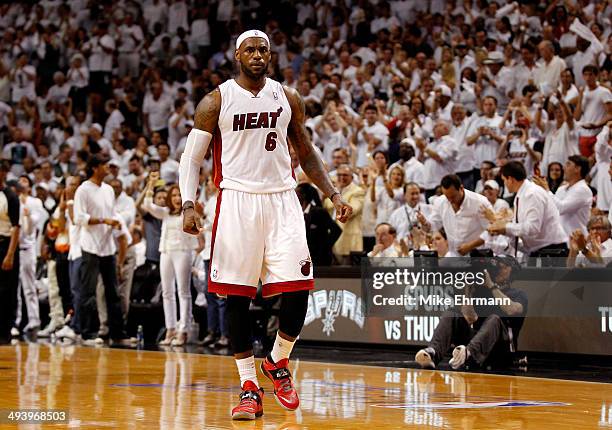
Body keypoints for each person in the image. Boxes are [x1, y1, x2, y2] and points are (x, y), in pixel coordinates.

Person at [178, 30, 352, 420]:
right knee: (237, 297)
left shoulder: (287, 97)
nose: (258, 55)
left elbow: (305, 150)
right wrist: (188, 204)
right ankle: (248, 387)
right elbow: (191, 159)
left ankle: (277, 360)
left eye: (264, 50)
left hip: (282, 199)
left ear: (271, 56)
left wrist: (333, 194)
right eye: (250, 50)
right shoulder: (216, 100)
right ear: (236, 55)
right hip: (236, 200)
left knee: (299, 287)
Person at [415, 256, 527, 369]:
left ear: (511, 272)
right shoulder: (481, 292)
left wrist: (491, 286)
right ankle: (433, 353)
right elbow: (470, 318)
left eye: (503, 267)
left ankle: (467, 355)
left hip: (501, 349)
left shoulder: (518, 294)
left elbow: (511, 309)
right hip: (479, 345)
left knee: (494, 318)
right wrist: (468, 289)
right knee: (452, 313)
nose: (498, 269)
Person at [73, 153, 129, 345]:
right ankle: (86, 333)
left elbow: (112, 213)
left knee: (112, 292)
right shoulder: (83, 190)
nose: (108, 169)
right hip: (90, 246)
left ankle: (118, 334)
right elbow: (78, 218)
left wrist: (116, 224)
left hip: (107, 246)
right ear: (95, 168)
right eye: (104, 165)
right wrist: (103, 220)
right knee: (88, 292)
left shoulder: (108, 190)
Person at [142, 174, 201, 346]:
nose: (176, 198)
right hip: (166, 251)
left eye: (179, 195)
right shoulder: (166, 213)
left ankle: (183, 329)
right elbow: (147, 205)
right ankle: (170, 329)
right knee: (167, 292)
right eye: (174, 195)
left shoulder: (189, 213)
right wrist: (151, 185)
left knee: (183, 291)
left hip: (183, 252)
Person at [488, 161, 567, 258]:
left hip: (552, 251)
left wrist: (505, 227)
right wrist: (503, 228)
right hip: (540, 251)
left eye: (504, 180)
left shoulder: (532, 194)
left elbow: (533, 228)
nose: (505, 183)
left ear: (511, 179)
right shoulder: (522, 194)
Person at [425, 174, 493, 256]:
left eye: (453, 197)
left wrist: (470, 246)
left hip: (478, 254)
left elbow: (492, 230)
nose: (450, 201)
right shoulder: (440, 202)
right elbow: (434, 225)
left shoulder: (480, 202)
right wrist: (425, 224)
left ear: (461, 188)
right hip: (454, 254)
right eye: (447, 197)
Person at [534, 155, 592, 238]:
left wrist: (547, 190)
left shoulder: (583, 190)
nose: (564, 168)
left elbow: (561, 208)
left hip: (575, 241)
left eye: (568, 164)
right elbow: (551, 209)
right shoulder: (562, 189)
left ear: (577, 169)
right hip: (559, 238)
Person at [296, 183, 342, 266]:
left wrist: (325, 247)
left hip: (319, 260)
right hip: (301, 258)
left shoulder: (319, 212)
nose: (294, 196)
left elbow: (336, 230)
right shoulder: (295, 212)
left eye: (296, 193)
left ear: (304, 195)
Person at [0, 160, 20, 344]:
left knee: (6, 290)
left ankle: (5, 331)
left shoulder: (10, 196)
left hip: (6, 245)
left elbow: (16, 228)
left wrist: (10, 254)